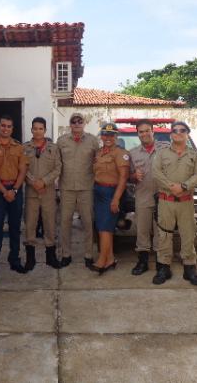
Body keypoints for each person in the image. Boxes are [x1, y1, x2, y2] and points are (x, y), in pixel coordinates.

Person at [152, 121, 197, 286]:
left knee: (188, 234)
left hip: (185, 202)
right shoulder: (161, 153)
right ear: (171, 134)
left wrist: (184, 186)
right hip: (166, 201)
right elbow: (156, 172)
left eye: (182, 130)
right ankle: (163, 267)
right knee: (164, 235)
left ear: (187, 134)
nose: (178, 133)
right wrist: (171, 186)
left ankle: (190, 268)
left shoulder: (194, 155)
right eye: (175, 130)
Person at [0, 114, 29, 279]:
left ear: (12, 128)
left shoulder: (19, 146)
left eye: (9, 126)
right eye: (3, 125)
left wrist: (15, 190)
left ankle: (14, 260)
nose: (6, 129)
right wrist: (4, 191)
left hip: (15, 189)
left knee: (15, 227)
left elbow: (23, 169)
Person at [57, 112, 100, 268]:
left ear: (84, 123)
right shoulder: (61, 141)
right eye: (73, 121)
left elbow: (98, 162)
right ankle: (66, 254)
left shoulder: (93, 141)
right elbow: (57, 164)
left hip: (86, 188)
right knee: (65, 222)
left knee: (88, 223)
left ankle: (88, 255)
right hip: (67, 187)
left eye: (79, 121)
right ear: (70, 124)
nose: (76, 124)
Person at [128, 119, 168, 275]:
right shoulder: (133, 153)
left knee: (161, 230)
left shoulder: (165, 149)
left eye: (147, 130)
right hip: (142, 196)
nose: (144, 134)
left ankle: (161, 263)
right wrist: (133, 175)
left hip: (163, 196)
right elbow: (128, 177)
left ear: (153, 131)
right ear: (138, 134)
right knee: (142, 230)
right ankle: (142, 262)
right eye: (141, 131)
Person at [23, 117, 62, 271]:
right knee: (30, 225)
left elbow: (58, 168)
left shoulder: (53, 148)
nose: (37, 131)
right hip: (32, 192)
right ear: (31, 129)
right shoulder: (25, 147)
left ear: (45, 130)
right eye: (35, 128)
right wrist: (34, 182)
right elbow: (22, 169)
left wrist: (44, 182)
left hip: (48, 192)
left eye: (41, 128)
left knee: (49, 224)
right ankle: (30, 259)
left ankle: (50, 257)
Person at [90, 123, 130, 274]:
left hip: (111, 193)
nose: (108, 138)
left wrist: (116, 199)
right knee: (102, 226)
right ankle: (111, 258)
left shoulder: (121, 153)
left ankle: (102, 260)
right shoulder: (99, 152)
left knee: (106, 228)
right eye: (105, 135)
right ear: (101, 136)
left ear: (116, 136)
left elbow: (124, 177)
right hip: (98, 191)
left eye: (111, 135)